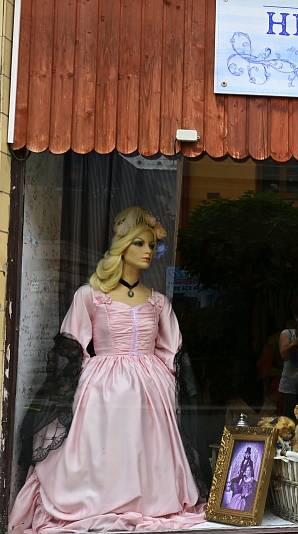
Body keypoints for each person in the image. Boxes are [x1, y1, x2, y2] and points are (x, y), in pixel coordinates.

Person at [10, 207, 205, 533]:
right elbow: (73, 345)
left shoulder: (158, 302)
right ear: (122, 246)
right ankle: (97, 499)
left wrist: (161, 379)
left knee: (144, 449)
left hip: (149, 390)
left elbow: (171, 349)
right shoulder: (91, 296)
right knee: (104, 449)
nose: (147, 252)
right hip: (102, 388)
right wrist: (90, 379)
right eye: (139, 244)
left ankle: (147, 500)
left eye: (150, 245)